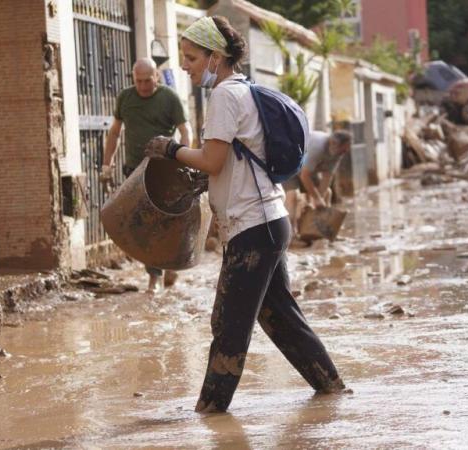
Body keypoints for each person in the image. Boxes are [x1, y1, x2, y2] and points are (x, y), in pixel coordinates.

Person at [145, 16, 346, 413]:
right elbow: (231, 162)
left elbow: (214, 159)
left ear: (215, 58)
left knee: (228, 326)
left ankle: (210, 413)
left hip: (254, 228)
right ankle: (332, 390)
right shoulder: (242, 91)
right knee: (281, 318)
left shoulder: (223, 96)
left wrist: (170, 149)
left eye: (191, 58)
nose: (184, 65)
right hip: (268, 222)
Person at [100, 58, 190, 294]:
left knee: (166, 222)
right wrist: (106, 164)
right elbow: (115, 132)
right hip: (134, 170)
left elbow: (184, 129)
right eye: (138, 81)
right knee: (144, 224)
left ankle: (169, 264)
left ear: (156, 77)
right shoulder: (126, 98)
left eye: (147, 81)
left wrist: (186, 158)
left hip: (163, 171)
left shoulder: (169, 98)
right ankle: (154, 276)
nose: (142, 86)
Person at [283, 130, 352, 233]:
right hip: (290, 165)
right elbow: (304, 175)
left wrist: (319, 199)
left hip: (307, 170)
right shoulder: (318, 146)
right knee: (293, 195)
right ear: (334, 143)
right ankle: (291, 236)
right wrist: (316, 198)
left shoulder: (338, 153)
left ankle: (319, 231)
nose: (345, 151)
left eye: (346, 149)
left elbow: (327, 176)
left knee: (327, 193)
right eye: (344, 148)